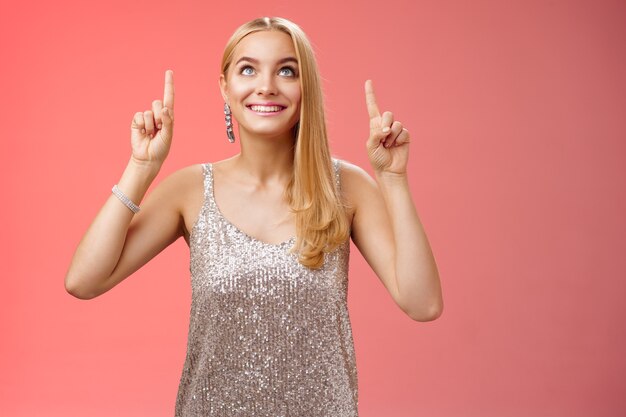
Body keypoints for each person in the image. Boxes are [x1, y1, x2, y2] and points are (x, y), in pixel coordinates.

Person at [65, 16, 443, 417]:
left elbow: (423, 304)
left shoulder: (345, 187)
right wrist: (141, 168)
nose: (266, 85)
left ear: (306, 88)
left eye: (286, 70)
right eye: (248, 69)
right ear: (225, 86)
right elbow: (84, 281)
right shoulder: (191, 190)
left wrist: (394, 179)